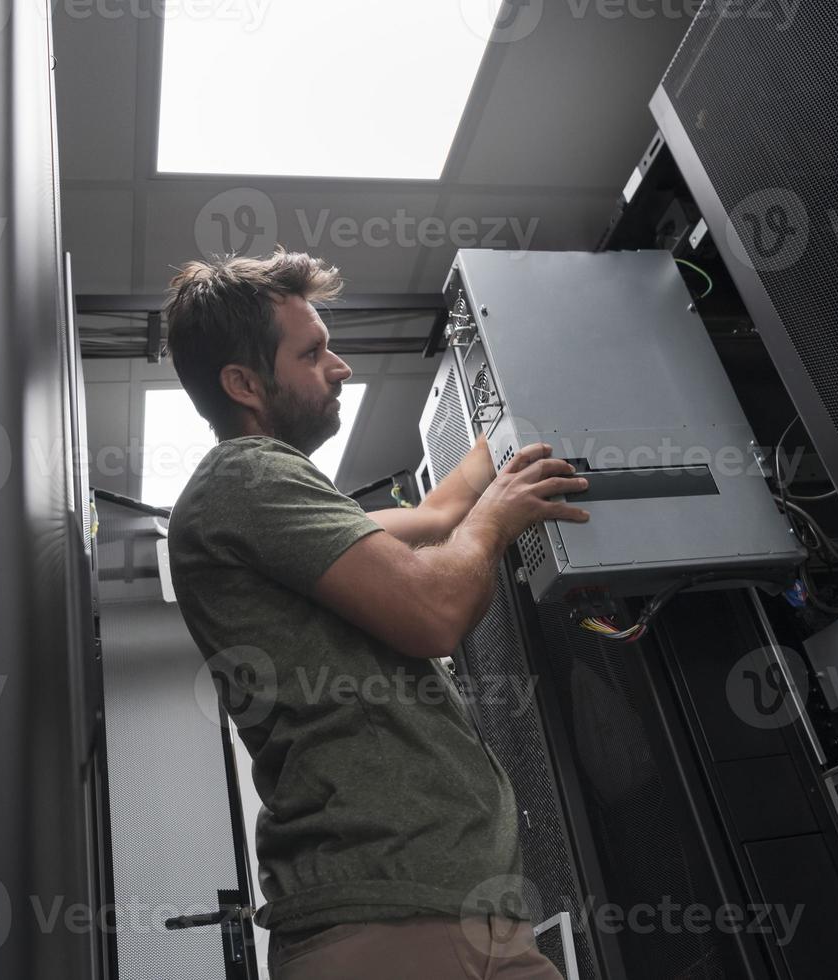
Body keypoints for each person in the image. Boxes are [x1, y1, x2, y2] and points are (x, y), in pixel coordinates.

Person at [164, 248, 589, 980]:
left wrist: (517, 403)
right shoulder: (248, 475)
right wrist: (496, 521)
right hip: (389, 916)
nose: (341, 367)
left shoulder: (267, 499)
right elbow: (435, 608)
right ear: (244, 384)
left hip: (441, 907)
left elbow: (435, 513)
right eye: (314, 351)